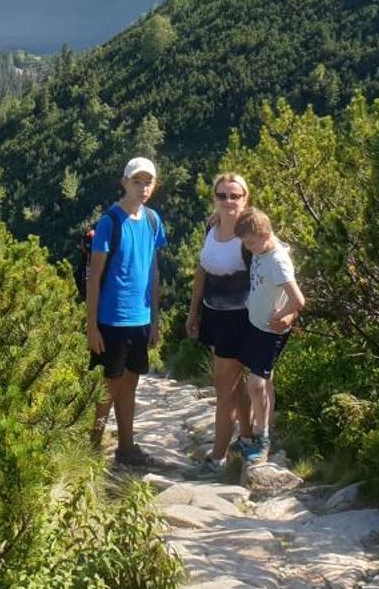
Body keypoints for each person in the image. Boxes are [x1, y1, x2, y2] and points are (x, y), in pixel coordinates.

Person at [85, 156, 167, 468]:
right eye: (137, 181)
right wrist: (92, 326)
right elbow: (95, 276)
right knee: (107, 384)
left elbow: (153, 270)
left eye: (148, 182)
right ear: (124, 183)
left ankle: (126, 446)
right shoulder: (110, 221)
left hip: (140, 318)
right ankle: (92, 447)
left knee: (130, 383)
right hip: (112, 319)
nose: (143, 188)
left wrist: (155, 319)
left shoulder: (152, 220)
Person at [184, 172, 258, 471]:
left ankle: (218, 456)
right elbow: (202, 269)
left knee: (224, 385)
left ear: (246, 198)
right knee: (233, 382)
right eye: (222, 195)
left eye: (235, 195)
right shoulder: (210, 228)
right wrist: (194, 311)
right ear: (214, 198)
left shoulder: (252, 232)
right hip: (216, 311)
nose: (228, 201)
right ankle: (248, 438)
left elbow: (270, 269)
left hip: (246, 315)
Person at [234, 207, 304, 465]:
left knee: (256, 384)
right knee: (265, 379)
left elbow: (298, 299)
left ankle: (260, 440)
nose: (249, 248)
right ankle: (265, 430)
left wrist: (284, 315)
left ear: (264, 234)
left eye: (251, 242)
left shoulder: (277, 260)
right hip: (256, 324)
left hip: (268, 331)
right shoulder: (263, 250)